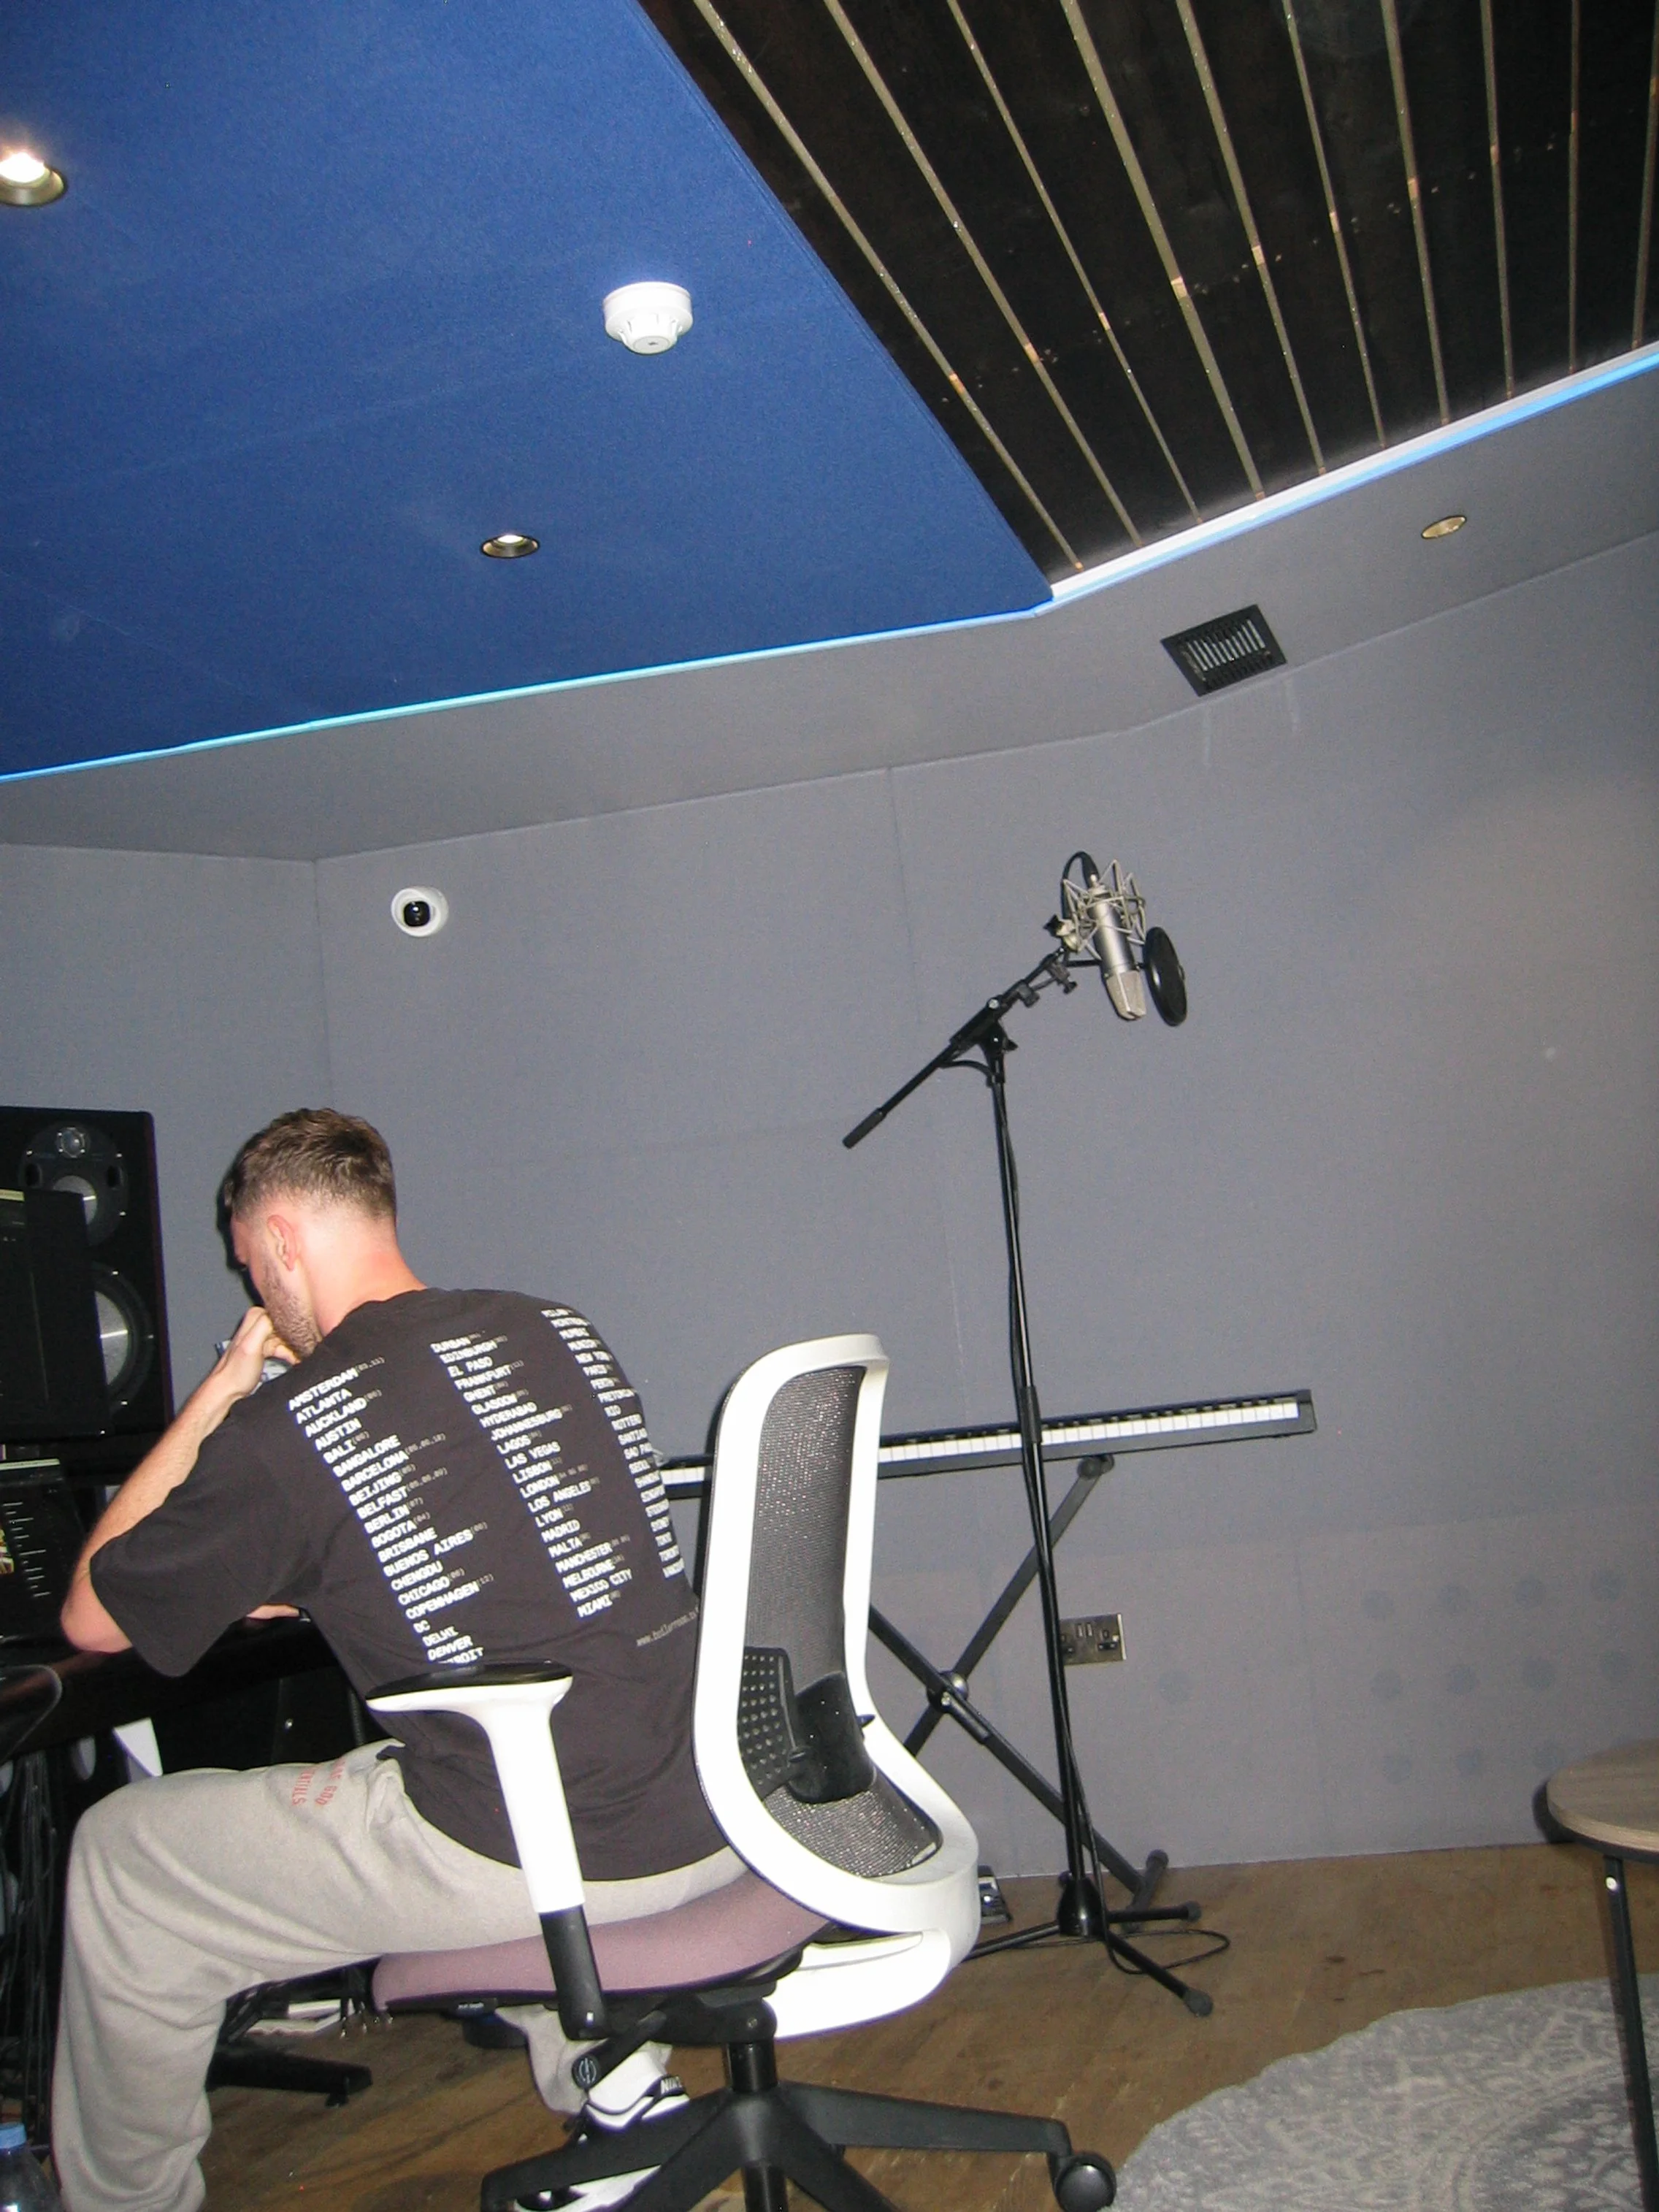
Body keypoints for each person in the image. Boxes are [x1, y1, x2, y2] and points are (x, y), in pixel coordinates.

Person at [54, 1108, 735, 2212]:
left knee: (125, 1857)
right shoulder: (554, 1329)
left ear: (281, 1241)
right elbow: (511, 1561)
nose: (252, 1289)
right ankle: (620, 2086)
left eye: (248, 1264)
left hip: (557, 1848)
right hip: (711, 1801)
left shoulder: (291, 1427)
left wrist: (225, 1390)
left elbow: (93, 1614)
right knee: (455, 1757)